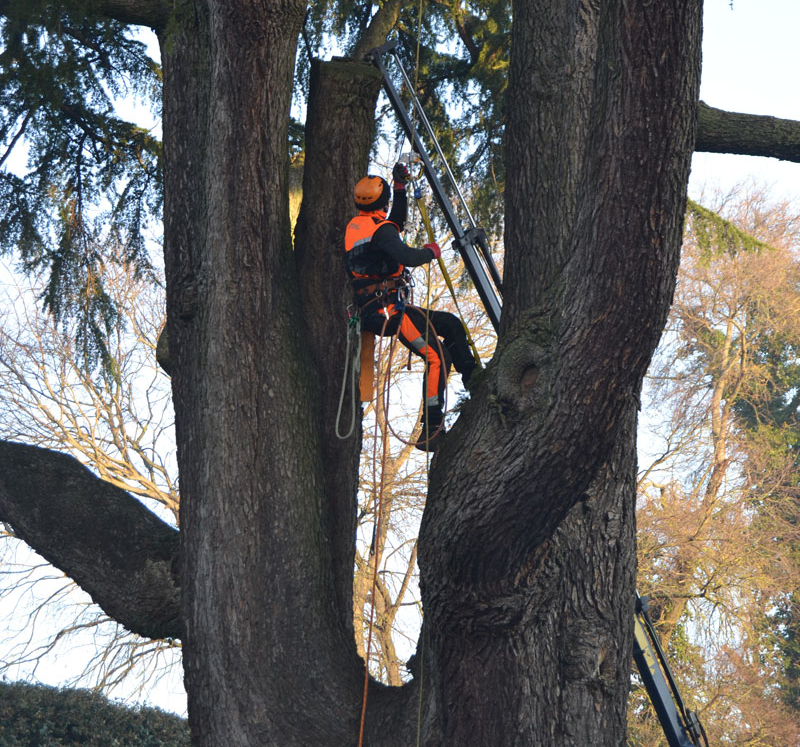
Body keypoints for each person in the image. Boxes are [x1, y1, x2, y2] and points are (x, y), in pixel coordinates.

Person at [344, 162, 478, 451]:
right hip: (388, 311)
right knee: (437, 356)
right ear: (383, 201)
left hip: (383, 307)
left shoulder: (361, 226)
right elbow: (405, 253)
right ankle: (430, 429)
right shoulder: (380, 232)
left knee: (451, 324)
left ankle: (473, 380)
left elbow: (394, 225)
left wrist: (401, 187)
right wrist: (429, 252)